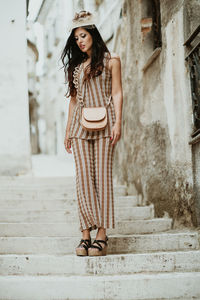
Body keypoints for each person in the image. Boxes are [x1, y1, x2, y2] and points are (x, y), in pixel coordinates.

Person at [61, 10, 123, 256]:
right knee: (83, 179)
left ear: (94, 35)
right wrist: (67, 131)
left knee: (103, 178)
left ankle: (102, 234)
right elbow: (74, 101)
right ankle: (85, 233)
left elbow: (117, 93)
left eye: (83, 35)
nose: (80, 41)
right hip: (79, 127)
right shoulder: (77, 67)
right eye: (76, 38)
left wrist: (119, 122)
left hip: (106, 124)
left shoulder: (111, 60)